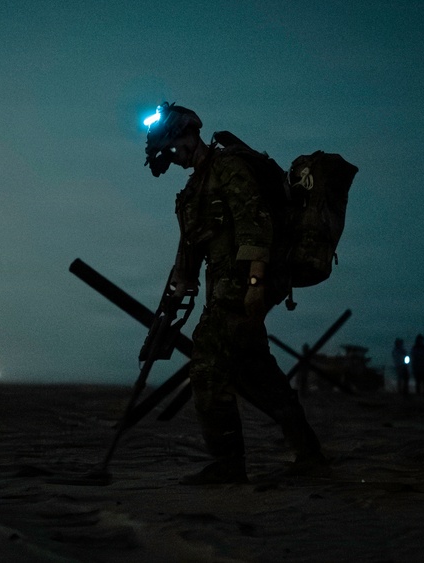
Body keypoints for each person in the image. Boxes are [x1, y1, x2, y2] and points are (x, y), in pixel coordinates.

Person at [144, 102, 327, 485]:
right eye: (167, 153)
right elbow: (191, 247)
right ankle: (309, 451)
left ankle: (228, 463)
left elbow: (254, 222)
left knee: (207, 363)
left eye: (173, 148)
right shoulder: (193, 189)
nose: (173, 158)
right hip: (223, 287)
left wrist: (256, 285)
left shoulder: (229, 167)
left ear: (189, 135)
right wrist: (180, 283)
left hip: (246, 283)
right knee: (255, 368)